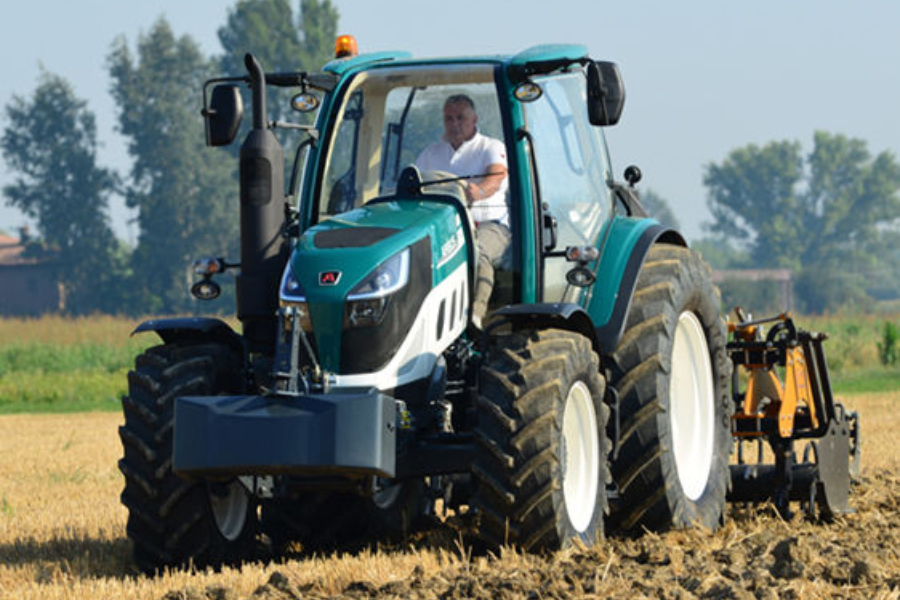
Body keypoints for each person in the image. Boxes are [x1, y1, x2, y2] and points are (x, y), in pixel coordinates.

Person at [416, 94, 510, 328]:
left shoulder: (490, 146)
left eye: (461, 118)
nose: (454, 123)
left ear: (474, 119)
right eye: (449, 119)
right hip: (444, 227)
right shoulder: (431, 153)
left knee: (476, 252)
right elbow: (412, 183)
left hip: (489, 224)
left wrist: (478, 191)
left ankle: (475, 317)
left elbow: (496, 176)